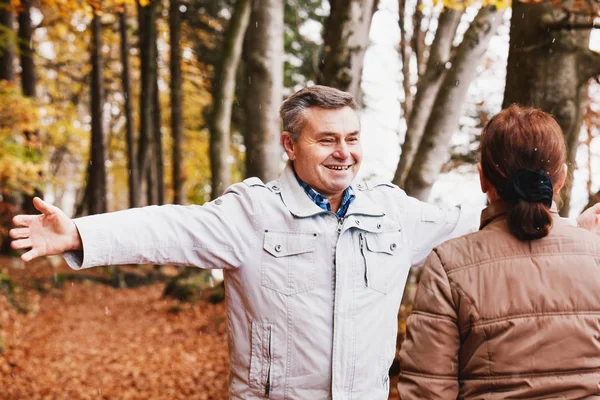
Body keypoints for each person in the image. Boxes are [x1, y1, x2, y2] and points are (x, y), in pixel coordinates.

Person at [9, 87, 600, 400]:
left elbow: (482, 228)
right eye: (326, 140)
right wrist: (81, 232)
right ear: (291, 146)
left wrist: (576, 232)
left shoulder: (391, 212)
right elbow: (172, 227)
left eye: (352, 138)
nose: (344, 152)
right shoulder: (251, 213)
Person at [398, 105, 600, 399]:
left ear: (483, 178)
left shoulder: (449, 264)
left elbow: (427, 392)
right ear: (562, 178)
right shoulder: (596, 256)